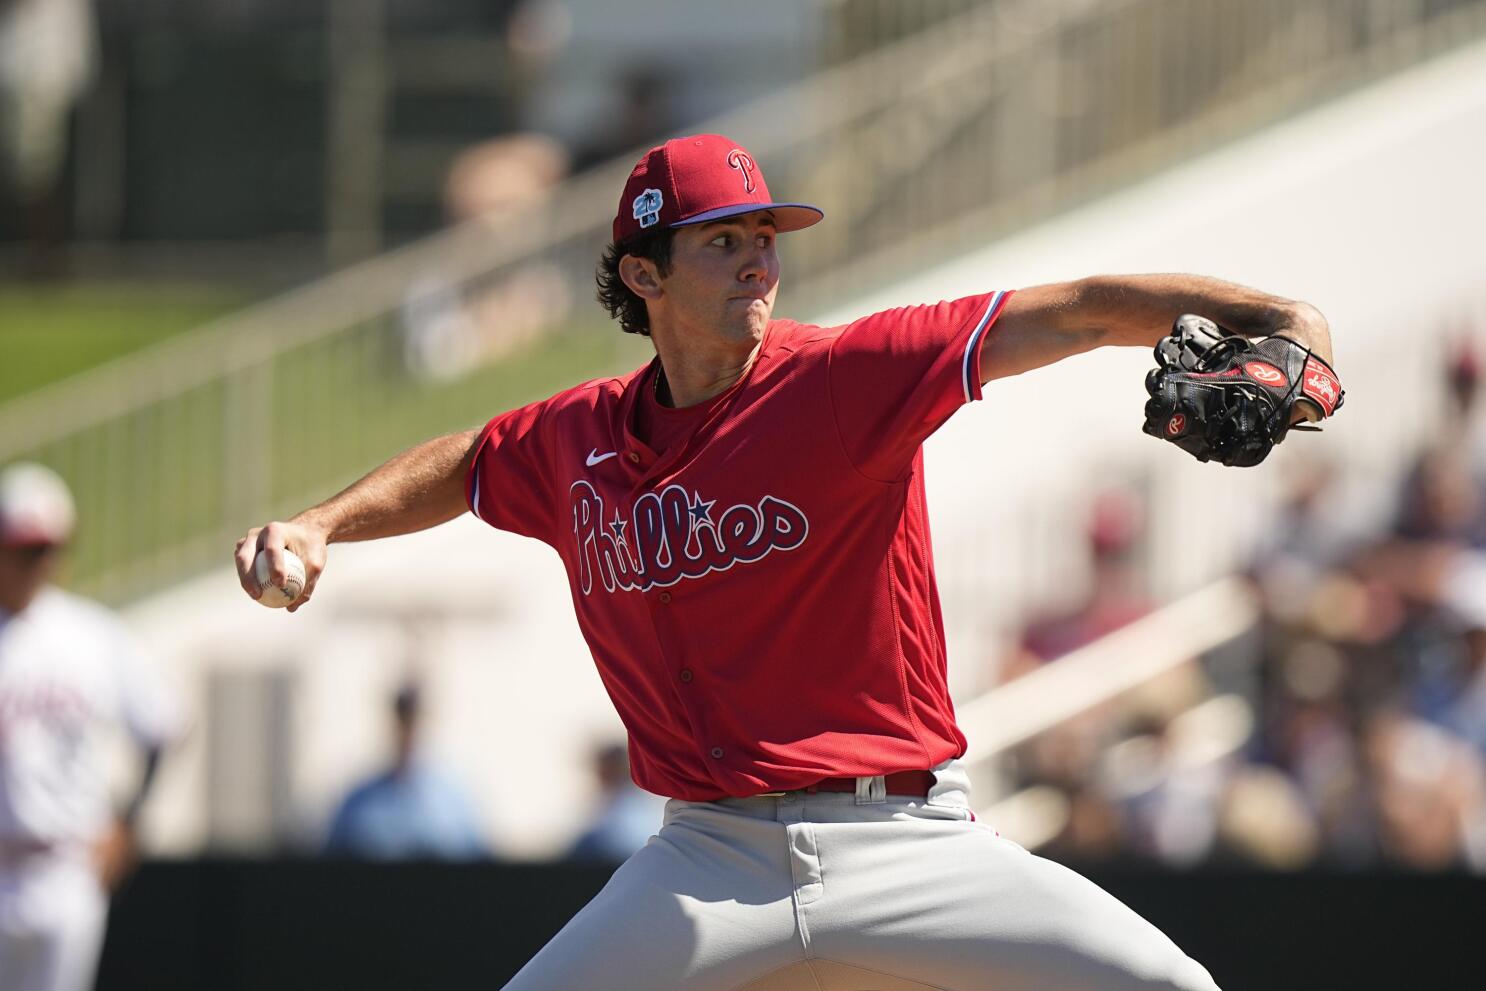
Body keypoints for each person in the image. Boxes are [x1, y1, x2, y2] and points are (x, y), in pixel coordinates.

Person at [236, 133, 1338, 989]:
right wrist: (322, 525)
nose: (759, 259)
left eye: (766, 235)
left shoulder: (844, 376)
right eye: (723, 240)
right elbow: (469, 461)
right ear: (643, 271)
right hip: (705, 855)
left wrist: (1283, 314)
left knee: (1169, 982)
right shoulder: (575, 439)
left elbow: (1084, 312)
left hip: (902, 835)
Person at [0, 463, 181, 991]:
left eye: (44, 550)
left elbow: (163, 726)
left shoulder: (91, 635)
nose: (35, 564)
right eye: (22, 550)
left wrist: (129, 824)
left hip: (63, 866)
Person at [323, 681, 488, 861]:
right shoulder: (359, 803)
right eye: (403, 718)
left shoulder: (453, 803)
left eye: (413, 719)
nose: (408, 730)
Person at [566, 741, 667, 864]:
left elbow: (623, 842)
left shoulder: (630, 808)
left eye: (604, 769)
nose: (600, 776)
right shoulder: (607, 804)